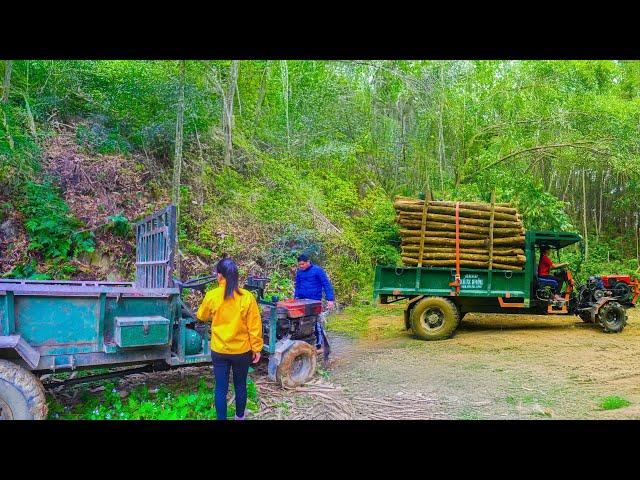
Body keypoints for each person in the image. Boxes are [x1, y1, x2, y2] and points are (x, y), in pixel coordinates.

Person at [196, 257, 263, 420]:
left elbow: (201, 316)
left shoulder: (212, 296)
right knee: (240, 385)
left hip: (219, 350)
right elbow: (254, 326)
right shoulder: (247, 297)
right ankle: (240, 417)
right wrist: (257, 348)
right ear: (236, 276)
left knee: (220, 388)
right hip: (242, 351)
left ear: (219, 276)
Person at [294, 253, 335, 350]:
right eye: (299, 265)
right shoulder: (300, 272)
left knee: (316, 322)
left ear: (308, 262)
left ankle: (319, 344)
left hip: (314, 301)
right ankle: (306, 340)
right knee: (302, 321)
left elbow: (326, 284)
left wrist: (330, 299)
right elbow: (298, 286)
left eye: (302, 264)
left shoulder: (317, 270)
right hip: (302, 301)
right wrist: (295, 298)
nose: (301, 266)